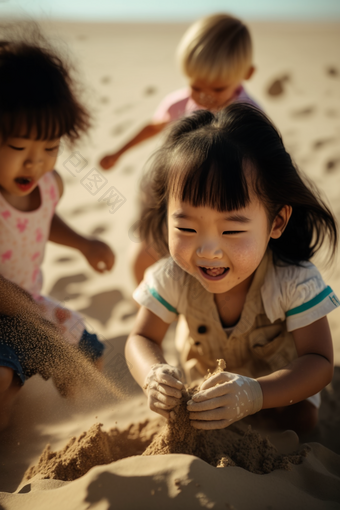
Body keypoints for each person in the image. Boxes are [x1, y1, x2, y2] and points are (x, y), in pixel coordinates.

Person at [125, 103, 339, 435]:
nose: (208, 250)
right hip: (204, 397)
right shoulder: (173, 276)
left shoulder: (293, 280)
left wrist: (256, 394)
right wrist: (153, 372)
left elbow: (320, 362)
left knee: (301, 422)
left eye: (232, 231)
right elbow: (141, 337)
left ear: (276, 221)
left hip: (279, 394)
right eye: (187, 229)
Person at [0, 31, 115, 427]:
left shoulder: (47, 185)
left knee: (89, 356)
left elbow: (43, 218)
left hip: (31, 303)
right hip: (7, 310)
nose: (36, 164)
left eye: (50, 149)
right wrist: (30, 315)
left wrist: (84, 243)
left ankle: (80, 426)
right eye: (20, 150)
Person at [99, 13, 259, 283]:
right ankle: (146, 305)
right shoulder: (182, 102)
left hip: (214, 202)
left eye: (217, 88)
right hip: (163, 191)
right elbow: (153, 126)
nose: (204, 95)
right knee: (145, 251)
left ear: (247, 74)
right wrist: (119, 152)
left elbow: (266, 162)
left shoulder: (249, 115)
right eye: (196, 86)